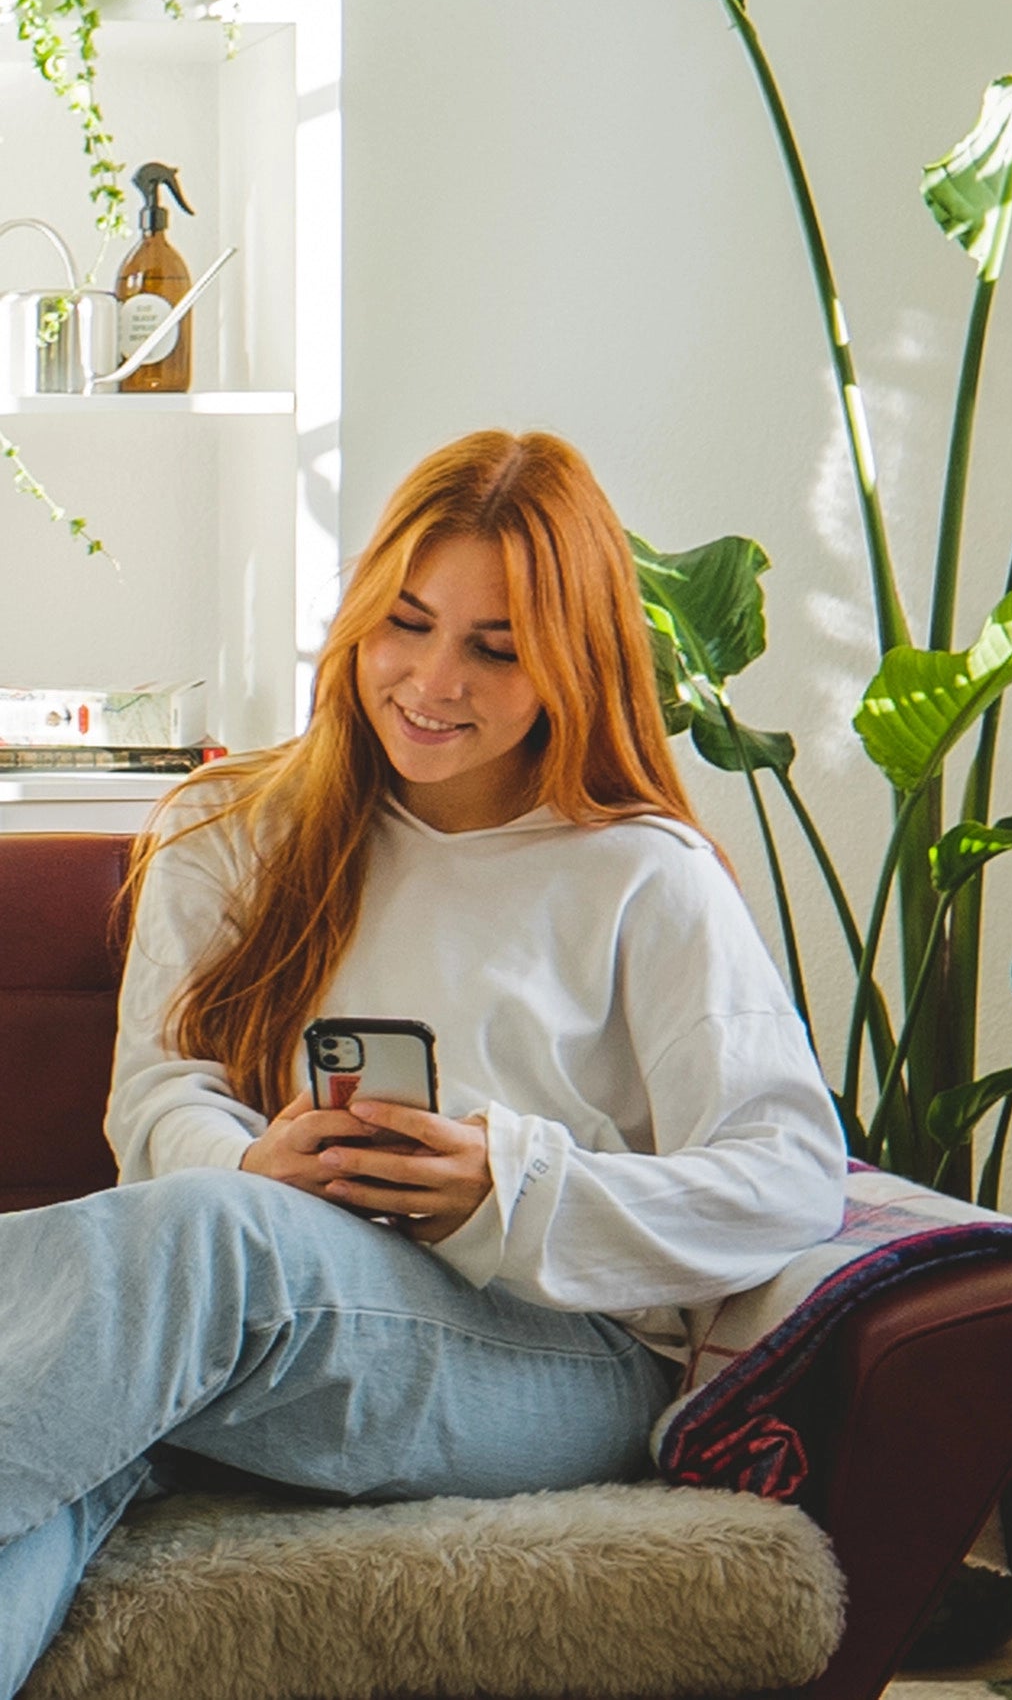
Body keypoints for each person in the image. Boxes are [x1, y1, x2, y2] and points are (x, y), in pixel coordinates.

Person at [0, 429, 846, 1697]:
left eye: (496, 646)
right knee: (85, 1398)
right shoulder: (232, 830)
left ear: (571, 661)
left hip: (552, 1358)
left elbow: (789, 1180)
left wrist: (511, 1184)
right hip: (273, 1307)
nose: (433, 679)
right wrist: (253, 1158)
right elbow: (159, 1093)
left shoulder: (642, 876)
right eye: (408, 623)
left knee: (189, 1254)